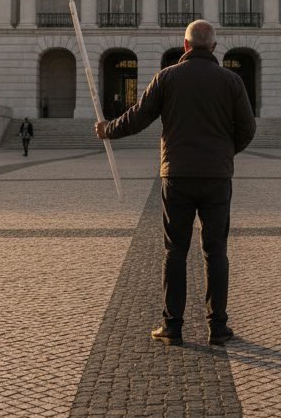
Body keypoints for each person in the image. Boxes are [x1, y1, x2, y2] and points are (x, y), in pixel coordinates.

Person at [94, 19, 256, 348]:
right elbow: (248, 128)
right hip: (216, 177)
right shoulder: (231, 81)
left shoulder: (167, 78)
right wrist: (225, 153)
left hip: (177, 175)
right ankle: (218, 327)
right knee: (216, 252)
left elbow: (137, 117)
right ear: (213, 47)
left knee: (175, 252)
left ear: (185, 46)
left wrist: (107, 129)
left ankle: (173, 327)